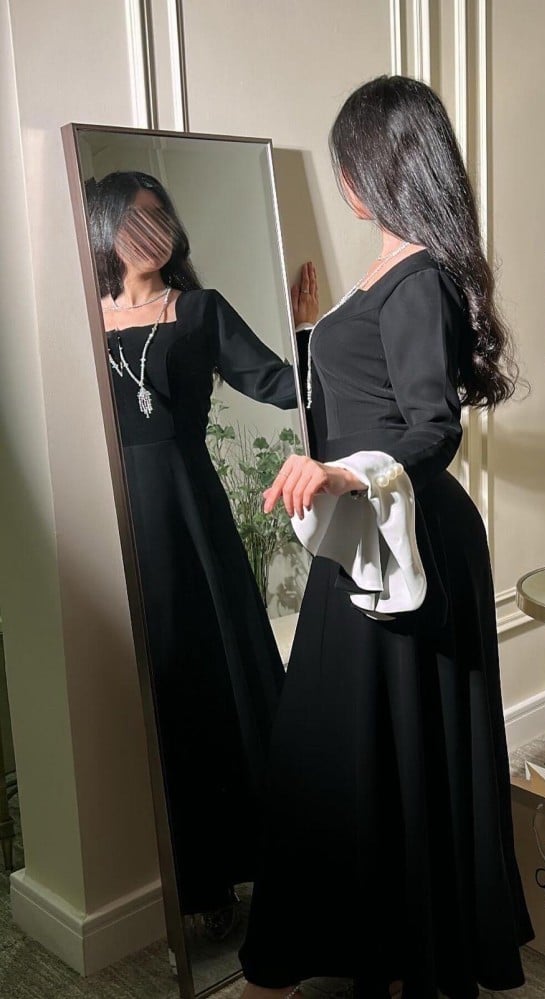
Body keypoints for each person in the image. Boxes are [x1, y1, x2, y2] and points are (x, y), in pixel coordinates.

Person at [238, 76, 533, 999]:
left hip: (408, 544)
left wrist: (345, 474)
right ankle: (363, 947)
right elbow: (353, 393)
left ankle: (402, 954)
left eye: (350, 162)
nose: (343, 181)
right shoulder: (385, 275)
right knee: (345, 745)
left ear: (387, 163)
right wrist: (310, 331)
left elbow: (432, 428)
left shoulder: (419, 281)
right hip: (364, 535)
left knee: (381, 745)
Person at [89, 171, 319, 928]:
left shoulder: (199, 310)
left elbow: (284, 386)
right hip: (116, 522)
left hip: (191, 516)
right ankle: (187, 879)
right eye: (135, 219)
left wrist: (308, 334)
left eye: (161, 216)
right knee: (156, 687)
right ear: (104, 228)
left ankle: (270, 856)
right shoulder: (82, 320)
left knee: (217, 674)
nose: (152, 232)